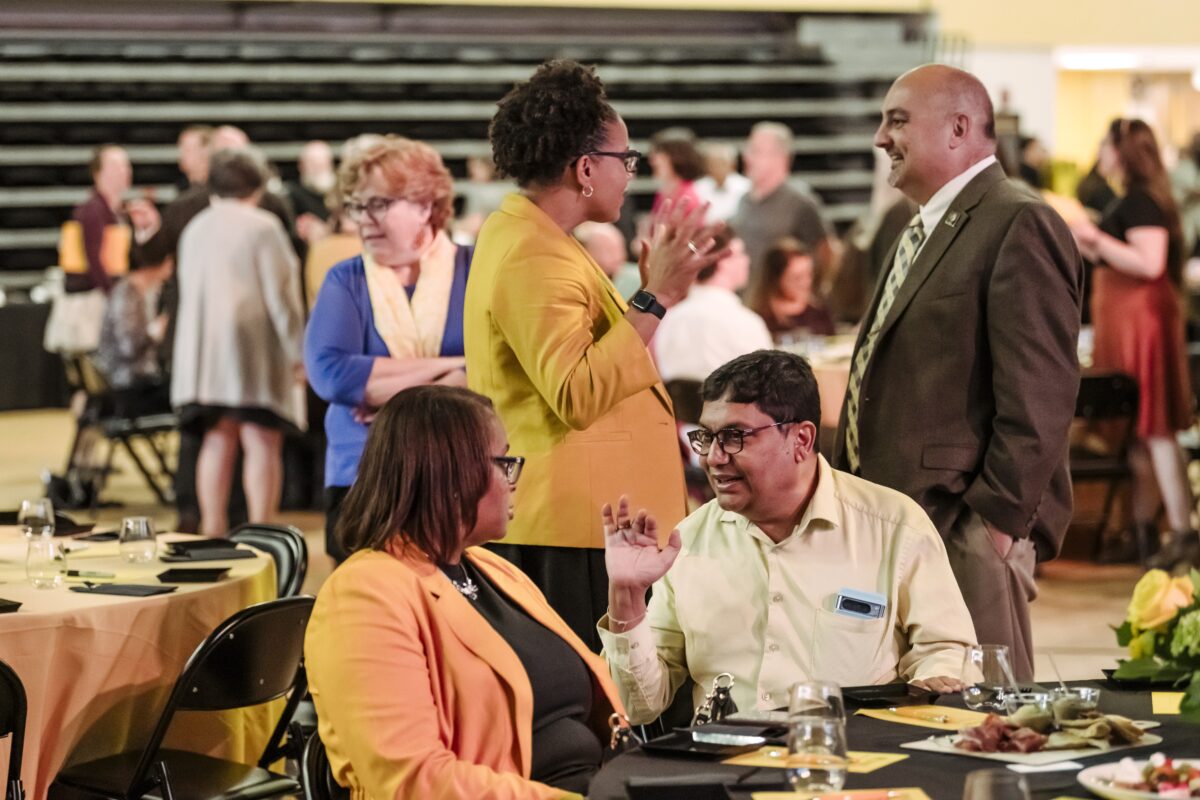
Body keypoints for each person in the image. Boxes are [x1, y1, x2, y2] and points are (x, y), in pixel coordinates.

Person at [832, 64, 1082, 681]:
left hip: (964, 525)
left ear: (958, 128)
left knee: (983, 729)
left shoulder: (1019, 219)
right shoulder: (917, 226)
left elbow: (1041, 392)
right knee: (915, 730)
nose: (880, 138)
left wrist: (995, 523)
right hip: (900, 523)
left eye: (897, 120)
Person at [465, 59, 723, 650]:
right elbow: (576, 394)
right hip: (569, 527)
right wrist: (655, 297)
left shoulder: (534, 239)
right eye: (624, 160)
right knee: (594, 711)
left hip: (577, 519)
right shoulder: (536, 254)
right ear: (585, 168)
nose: (630, 173)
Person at [599, 351, 977, 721]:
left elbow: (945, 650)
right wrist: (627, 599)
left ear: (801, 440)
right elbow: (641, 706)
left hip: (851, 762)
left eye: (734, 436)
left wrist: (930, 688)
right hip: (726, 767)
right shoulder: (690, 539)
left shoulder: (893, 527)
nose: (713, 457)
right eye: (706, 437)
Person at [305, 385, 626, 799]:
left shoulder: (493, 569)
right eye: (503, 461)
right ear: (451, 474)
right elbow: (413, 780)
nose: (514, 480)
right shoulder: (363, 596)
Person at [306, 136, 472, 563]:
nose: (363, 220)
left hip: (457, 476)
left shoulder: (476, 271)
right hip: (362, 477)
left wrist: (386, 389)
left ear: (425, 204)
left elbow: (502, 370)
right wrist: (457, 368)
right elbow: (332, 375)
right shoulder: (346, 279)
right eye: (357, 206)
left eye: (378, 204)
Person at [1069, 119, 1196, 569]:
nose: (1100, 151)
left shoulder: (1142, 200)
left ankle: (1181, 532)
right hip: (1131, 321)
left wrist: (1094, 237)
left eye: (1106, 143)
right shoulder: (1133, 198)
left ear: (1122, 150)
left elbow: (1150, 262)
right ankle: (1143, 532)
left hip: (1144, 322)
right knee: (1141, 436)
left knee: (1156, 429)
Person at [171, 149, 306, 538]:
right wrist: (298, 351)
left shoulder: (197, 226)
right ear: (257, 186)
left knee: (217, 438)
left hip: (205, 356)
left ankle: (213, 531)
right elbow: (283, 297)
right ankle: (263, 534)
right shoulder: (262, 226)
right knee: (262, 440)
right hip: (252, 351)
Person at [654, 230, 772, 382]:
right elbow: (768, 384)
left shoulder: (668, 319)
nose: (747, 260)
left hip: (678, 404)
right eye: (741, 253)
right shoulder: (746, 323)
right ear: (722, 261)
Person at [732, 121, 833, 285]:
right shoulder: (744, 199)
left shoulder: (801, 202)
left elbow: (826, 255)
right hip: (748, 301)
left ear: (780, 157)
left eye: (755, 150)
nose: (746, 156)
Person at [92, 255, 173, 418]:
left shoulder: (140, 291)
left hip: (131, 381)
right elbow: (128, 347)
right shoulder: (127, 292)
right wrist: (154, 332)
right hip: (127, 387)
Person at [746, 237, 835, 339]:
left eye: (809, 274)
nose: (806, 283)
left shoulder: (819, 312)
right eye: (797, 278)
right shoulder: (761, 318)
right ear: (775, 279)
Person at [287, 139, 337, 244]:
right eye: (313, 163)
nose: (317, 168)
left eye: (322, 163)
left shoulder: (341, 194)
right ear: (301, 166)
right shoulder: (291, 196)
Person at [575, 221, 640, 299]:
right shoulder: (582, 281)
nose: (616, 257)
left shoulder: (634, 278)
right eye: (608, 250)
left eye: (617, 249)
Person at [648, 128, 704, 213]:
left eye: (659, 153)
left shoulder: (687, 199)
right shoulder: (664, 192)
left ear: (677, 158)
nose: (652, 160)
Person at [693, 141, 751, 224]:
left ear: (732, 165)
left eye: (721, 163)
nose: (716, 168)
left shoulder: (746, 187)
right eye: (712, 163)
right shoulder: (698, 187)